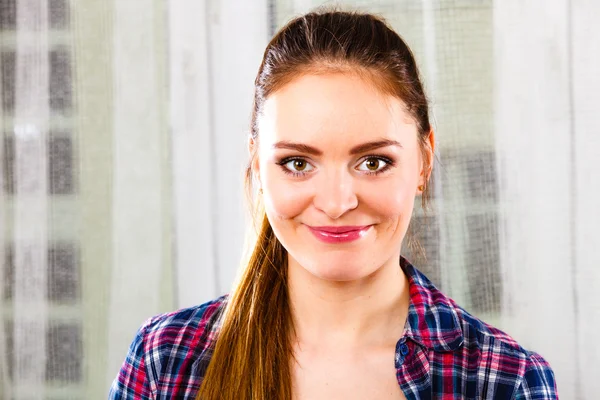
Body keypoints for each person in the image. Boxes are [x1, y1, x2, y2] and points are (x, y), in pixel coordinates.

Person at [109, 9, 557, 400]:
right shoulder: (164, 361)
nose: (337, 202)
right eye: (298, 163)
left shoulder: (504, 381)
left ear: (424, 160)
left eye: (373, 161)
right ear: (258, 166)